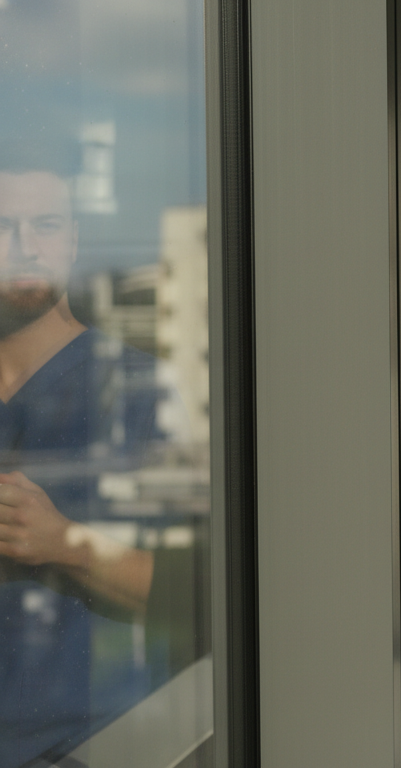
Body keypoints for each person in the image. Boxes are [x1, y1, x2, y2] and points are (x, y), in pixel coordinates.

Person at [0, 141, 165, 768]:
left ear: (72, 240)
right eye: (3, 226)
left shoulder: (137, 390)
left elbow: (198, 595)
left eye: (44, 225)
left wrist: (62, 542)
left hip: (85, 749)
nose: (23, 245)